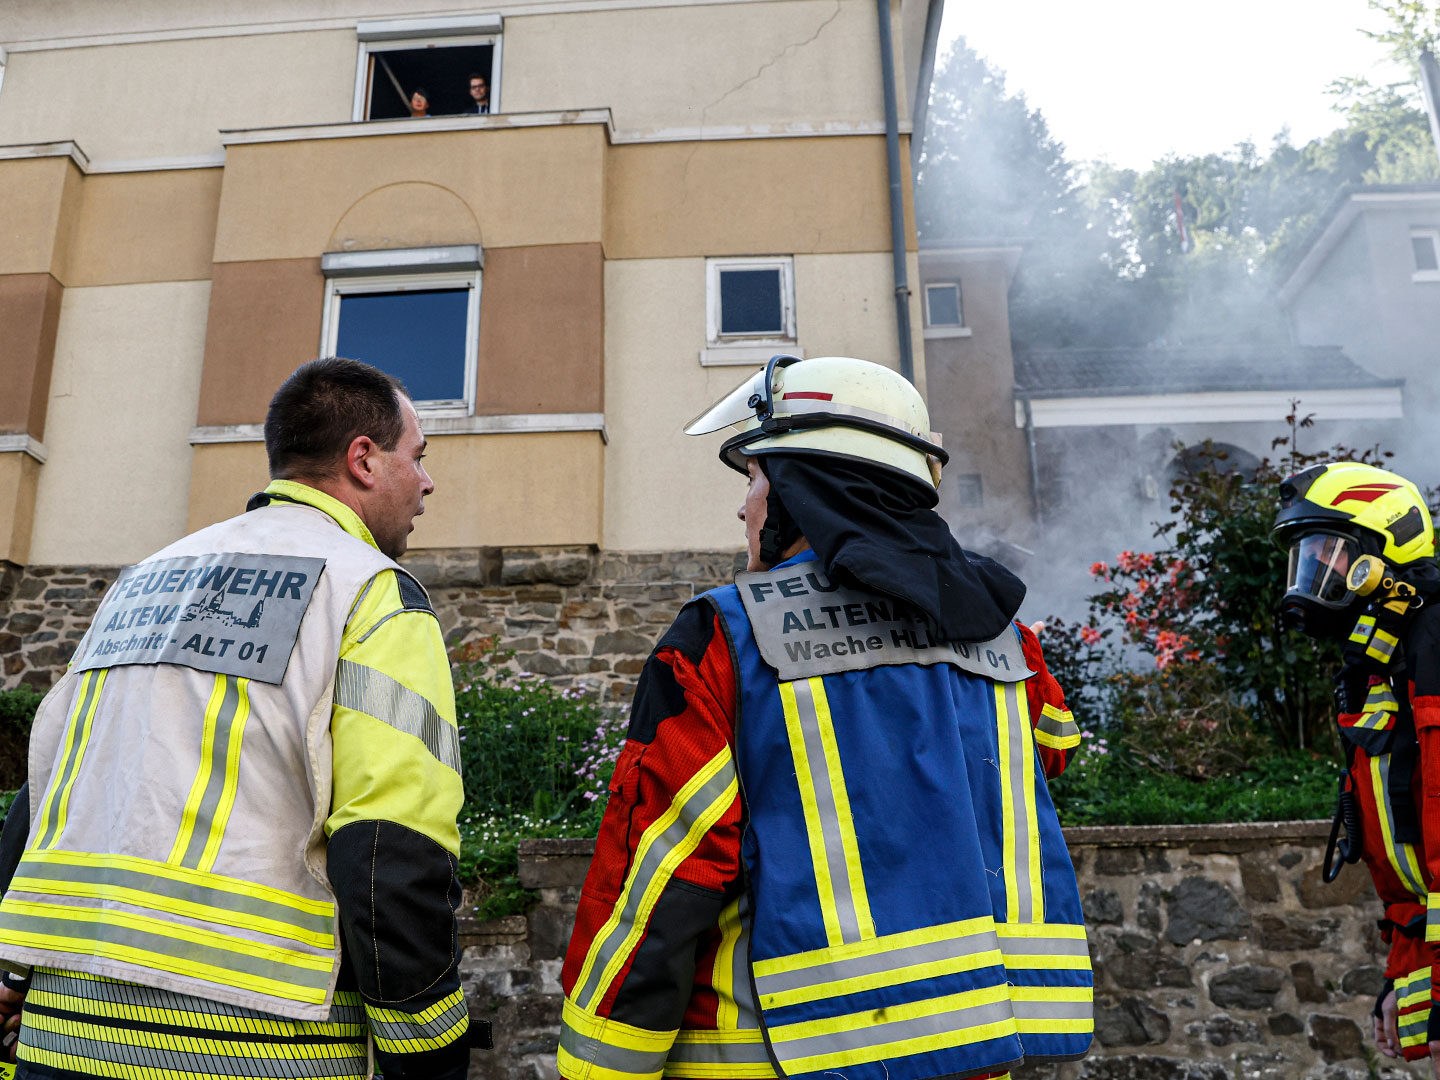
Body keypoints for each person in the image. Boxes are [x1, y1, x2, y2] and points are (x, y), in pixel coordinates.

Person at [557, 355, 1093, 1080]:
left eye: (754, 478)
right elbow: (1054, 747)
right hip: (970, 1049)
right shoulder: (1004, 635)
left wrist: (604, 1065)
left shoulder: (724, 638)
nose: (744, 507)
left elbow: (667, 870)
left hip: (772, 1057)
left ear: (801, 489)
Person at [0, 358, 483, 1079]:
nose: (427, 482)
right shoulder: (371, 593)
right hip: (256, 1048)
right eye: (417, 457)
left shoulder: (143, 583)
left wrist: (12, 972)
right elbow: (390, 851)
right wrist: (429, 1056)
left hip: (61, 1039)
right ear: (363, 460)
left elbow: (49, 791)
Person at [1273, 461, 1440, 1072]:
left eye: (1328, 550)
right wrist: (1403, 977)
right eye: (1306, 555)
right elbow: (1407, 863)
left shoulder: (1431, 643)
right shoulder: (1380, 660)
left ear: (1382, 551)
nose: (1315, 571)